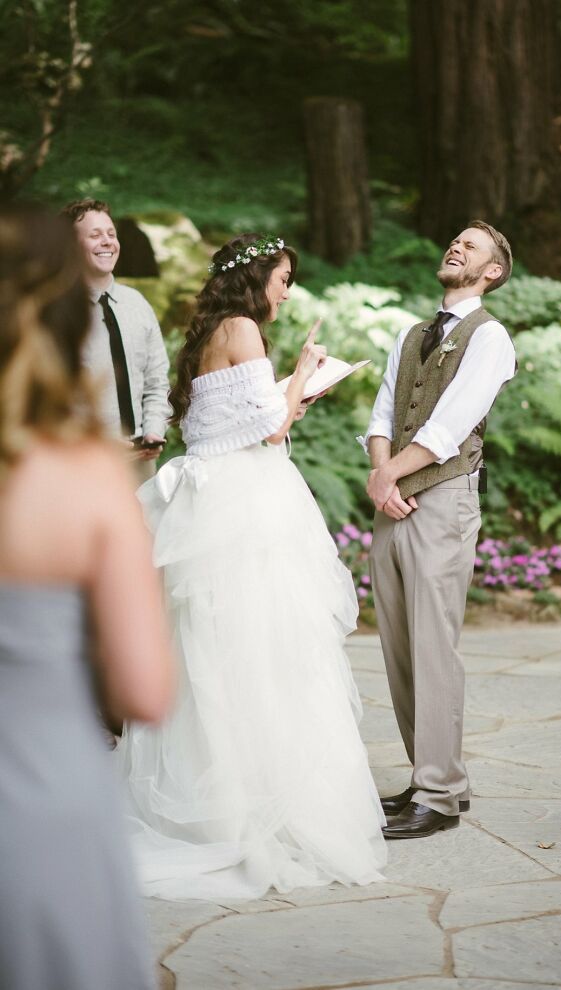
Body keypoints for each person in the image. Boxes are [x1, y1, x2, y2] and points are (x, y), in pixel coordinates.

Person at [117, 233, 386, 900]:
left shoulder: (210, 331)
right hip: (245, 506)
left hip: (213, 500)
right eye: (284, 279)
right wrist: (306, 371)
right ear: (258, 276)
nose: (287, 292)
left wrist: (290, 391)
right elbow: (269, 429)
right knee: (264, 652)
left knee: (211, 650)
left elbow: (224, 421)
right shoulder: (243, 328)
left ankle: (214, 797)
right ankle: (260, 807)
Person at [0, 203, 175, 990]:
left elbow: (157, 378)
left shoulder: (135, 311)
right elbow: (146, 691)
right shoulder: (81, 482)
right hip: (45, 798)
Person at [363, 220, 517, 840]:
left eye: (471, 246)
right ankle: (429, 775)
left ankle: (441, 795)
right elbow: (382, 413)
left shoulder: (490, 336)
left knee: (434, 647)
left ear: (492, 271)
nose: (456, 246)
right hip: (393, 498)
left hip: (444, 499)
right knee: (400, 646)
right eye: (454, 240)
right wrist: (382, 475)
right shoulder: (412, 334)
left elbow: (450, 425)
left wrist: (389, 476)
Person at [61, 199, 171, 481]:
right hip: (81, 463)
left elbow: (156, 380)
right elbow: (50, 397)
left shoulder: (138, 304)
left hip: (141, 463)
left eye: (111, 234)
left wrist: (154, 430)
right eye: (95, 235)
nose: (107, 241)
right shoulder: (59, 313)